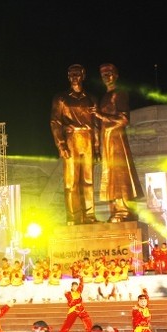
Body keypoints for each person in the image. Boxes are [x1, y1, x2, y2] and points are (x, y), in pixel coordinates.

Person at [92, 63, 143, 222]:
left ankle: (123, 209)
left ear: (116, 74)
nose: (106, 76)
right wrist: (97, 146)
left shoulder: (119, 93)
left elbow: (124, 118)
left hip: (117, 138)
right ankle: (115, 208)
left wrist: (101, 116)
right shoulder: (104, 97)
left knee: (120, 173)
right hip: (106, 138)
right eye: (103, 74)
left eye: (109, 72)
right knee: (110, 174)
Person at [50, 63, 99, 225]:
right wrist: (61, 144)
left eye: (77, 74)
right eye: (71, 74)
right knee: (71, 182)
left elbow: (96, 124)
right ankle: (73, 217)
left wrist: (97, 148)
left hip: (87, 140)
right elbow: (55, 121)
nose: (74, 77)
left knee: (88, 181)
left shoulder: (91, 98)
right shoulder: (61, 98)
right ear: (68, 76)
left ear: (83, 76)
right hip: (71, 141)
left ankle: (89, 216)